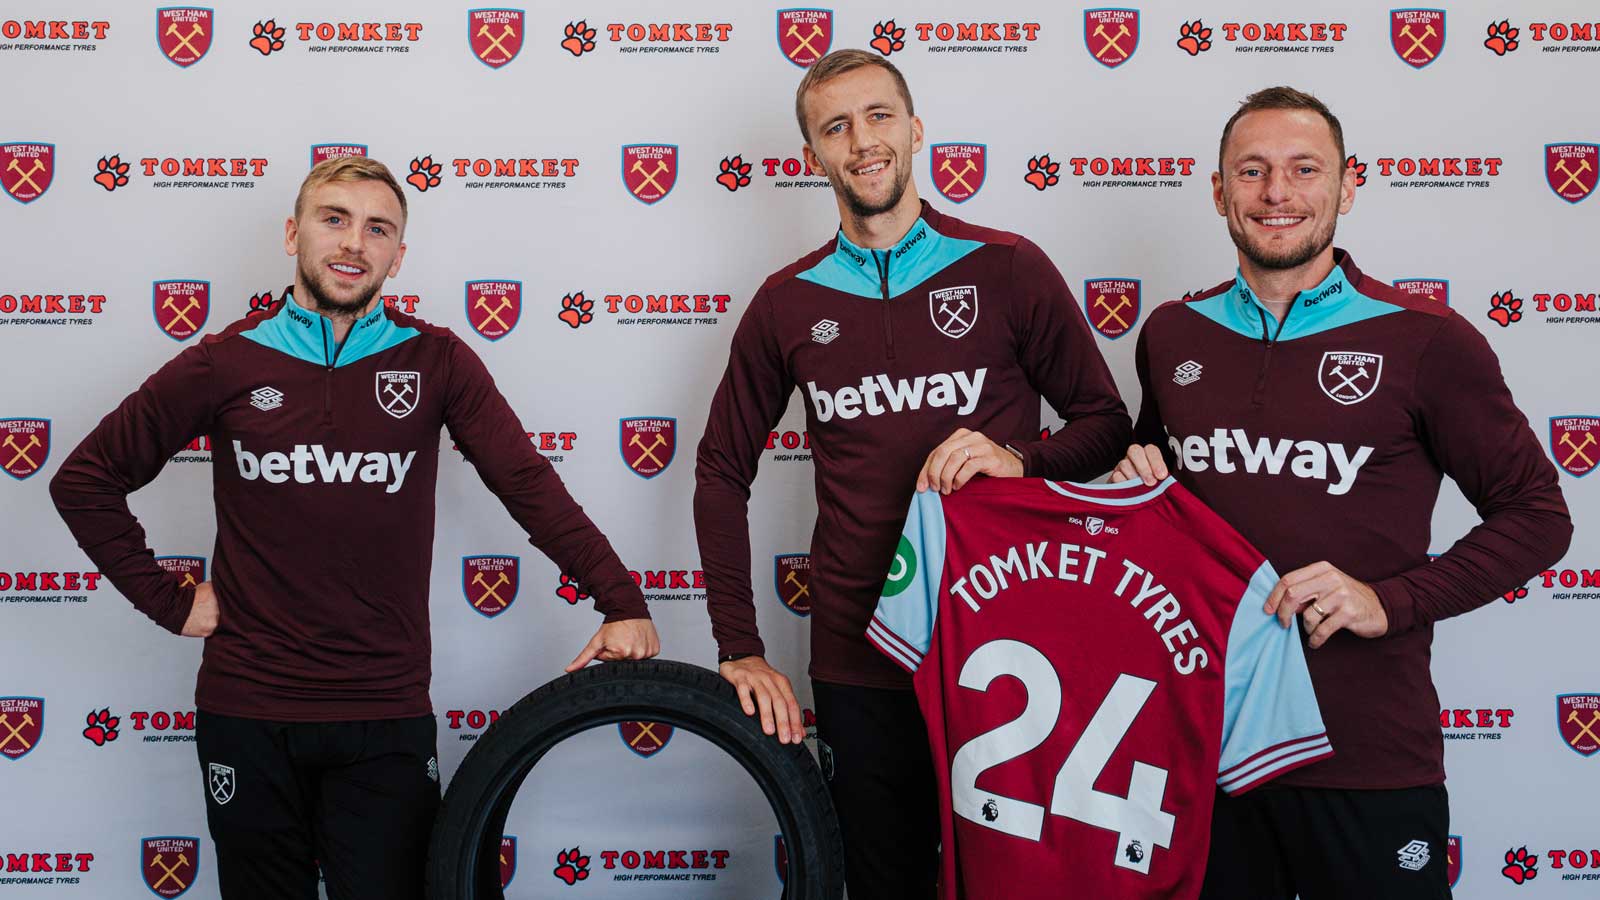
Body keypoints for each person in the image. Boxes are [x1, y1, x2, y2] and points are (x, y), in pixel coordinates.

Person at [49, 156, 659, 900]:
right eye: (333, 218)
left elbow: (527, 484)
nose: (353, 243)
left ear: (398, 255)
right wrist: (167, 600)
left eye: (378, 229)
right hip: (249, 709)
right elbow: (84, 480)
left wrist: (620, 597)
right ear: (292, 233)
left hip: (384, 714)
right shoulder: (225, 361)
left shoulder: (435, 361)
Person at [1112, 86, 1572, 899]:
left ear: (1348, 184)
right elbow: (1160, 498)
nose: (1277, 193)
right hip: (1203, 752)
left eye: (1302, 169)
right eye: (1251, 171)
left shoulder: (1427, 339)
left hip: (1366, 754)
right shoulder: (1172, 334)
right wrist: (1132, 483)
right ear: (1218, 191)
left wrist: (1388, 600)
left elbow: (1538, 515)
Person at [693, 49, 1131, 897]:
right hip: (859, 659)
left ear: (916, 130)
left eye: (879, 116)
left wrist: (1020, 460)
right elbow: (719, 469)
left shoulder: (1006, 266)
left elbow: (1105, 425)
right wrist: (739, 645)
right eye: (836, 127)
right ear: (812, 156)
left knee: (1016, 882)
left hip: (1005, 650)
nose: (862, 141)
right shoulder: (788, 300)